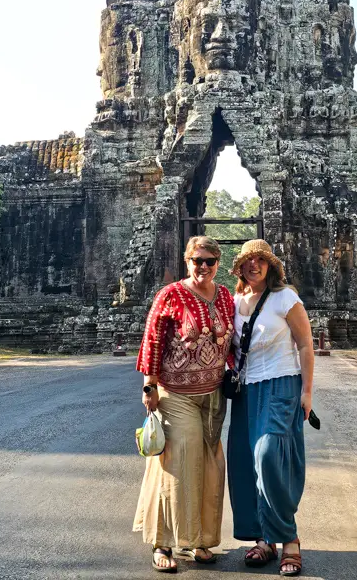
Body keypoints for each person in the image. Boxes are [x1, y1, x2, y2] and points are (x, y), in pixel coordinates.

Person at [133, 236, 235, 573]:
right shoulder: (171, 295)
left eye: (209, 260)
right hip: (175, 394)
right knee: (177, 466)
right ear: (186, 260)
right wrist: (149, 385)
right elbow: (153, 340)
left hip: (213, 395)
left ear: (218, 263)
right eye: (196, 260)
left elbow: (232, 340)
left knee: (209, 466)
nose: (203, 266)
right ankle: (162, 542)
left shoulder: (224, 296)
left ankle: (198, 540)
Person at [227, 239, 315, 578]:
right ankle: (264, 538)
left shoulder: (285, 298)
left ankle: (288, 537)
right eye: (248, 261)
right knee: (245, 462)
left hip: (281, 383)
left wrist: (307, 391)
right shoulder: (234, 302)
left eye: (260, 260)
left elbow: (306, 345)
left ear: (271, 266)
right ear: (239, 268)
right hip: (246, 389)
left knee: (269, 456)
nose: (254, 265)